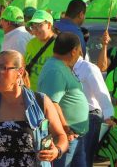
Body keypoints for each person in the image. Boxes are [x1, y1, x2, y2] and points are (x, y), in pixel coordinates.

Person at [38, 32, 89, 167]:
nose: (79, 55)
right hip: (65, 138)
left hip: (73, 137)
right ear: (73, 51)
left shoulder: (59, 66)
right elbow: (51, 103)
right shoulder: (56, 70)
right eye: (79, 51)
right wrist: (66, 129)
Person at [73, 55, 115, 167]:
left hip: (90, 117)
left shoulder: (88, 68)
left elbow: (101, 92)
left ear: (74, 50)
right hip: (72, 119)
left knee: (84, 159)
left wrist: (108, 117)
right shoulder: (63, 67)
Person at [24, 10, 56, 91]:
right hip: (31, 93)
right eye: (33, 27)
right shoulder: (31, 43)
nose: (35, 30)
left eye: (39, 25)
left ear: (49, 25)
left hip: (50, 94)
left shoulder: (59, 44)